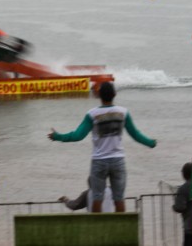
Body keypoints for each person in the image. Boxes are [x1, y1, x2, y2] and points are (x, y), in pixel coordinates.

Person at [48, 81, 156, 213]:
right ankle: (121, 229)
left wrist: (58, 136)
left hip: (99, 161)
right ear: (115, 94)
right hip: (118, 161)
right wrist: (150, 143)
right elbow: (135, 135)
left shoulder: (92, 114)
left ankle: (97, 230)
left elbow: (78, 135)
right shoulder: (123, 112)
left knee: (97, 198)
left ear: (99, 95)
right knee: (119, 198)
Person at [172, 162, 192, 246]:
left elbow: (180, 207)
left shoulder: (183, 188)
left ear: (184, 174)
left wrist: (174, 207)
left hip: (191, 227)